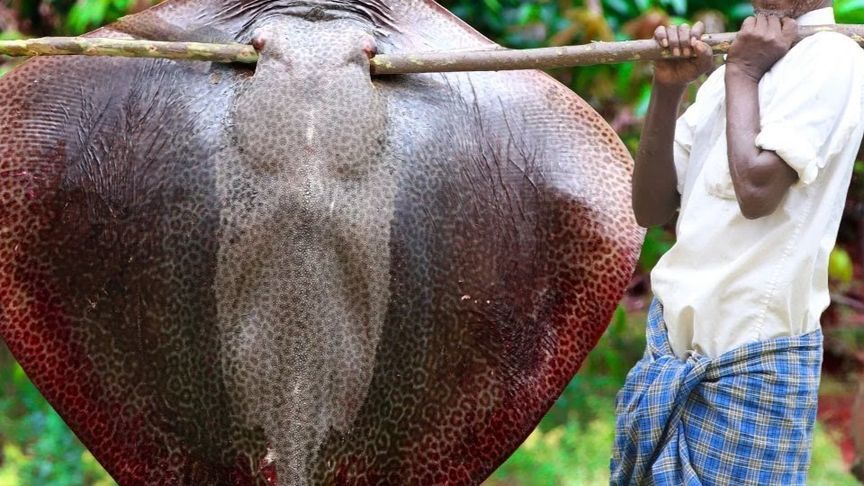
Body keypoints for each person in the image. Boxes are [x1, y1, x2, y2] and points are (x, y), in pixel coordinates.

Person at [610, 1, 864, 484]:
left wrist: (742, 73)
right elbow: (651, 207)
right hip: (670, 355)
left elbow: (757, 191)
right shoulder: (739, 67)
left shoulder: (834, 58)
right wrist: (668, 89)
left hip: (750, 371)